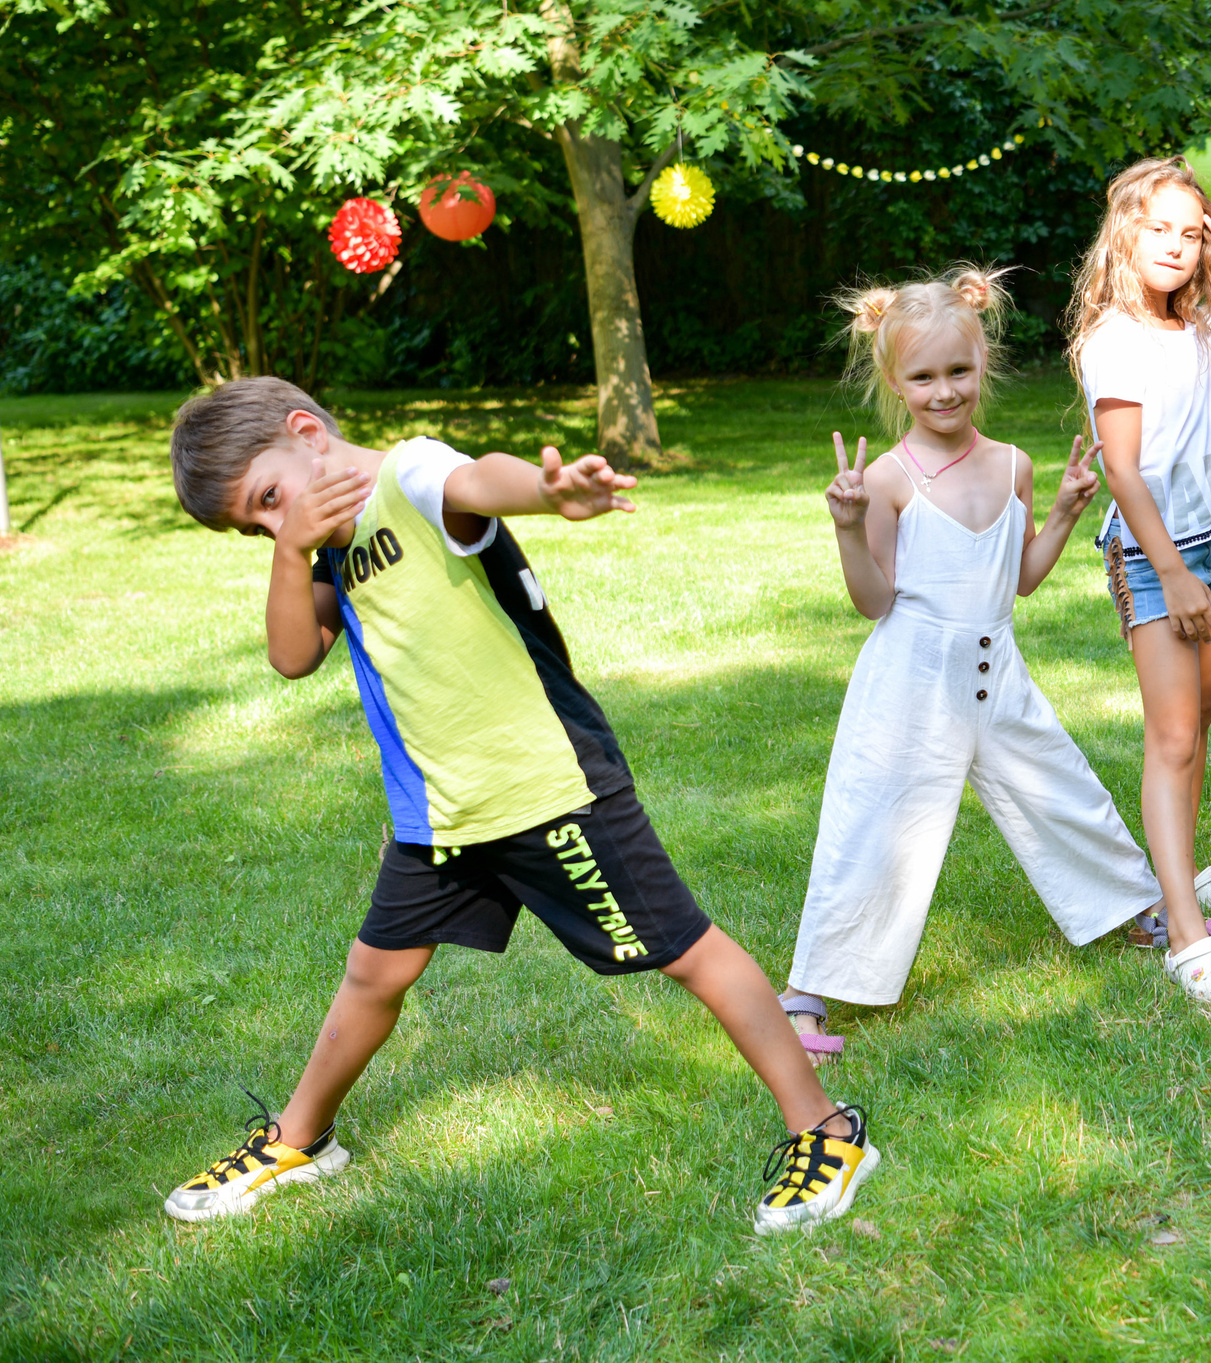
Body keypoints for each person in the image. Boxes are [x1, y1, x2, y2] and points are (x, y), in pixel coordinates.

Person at [160, 377, 875, 1235]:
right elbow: (289, 656)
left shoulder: (409, 475)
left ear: (307, 433)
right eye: (255, 527)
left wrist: (547, 491)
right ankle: (299, 1138)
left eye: (268, 500)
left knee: (685, 949)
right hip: (441, 815)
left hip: (545, 787)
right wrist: (291, 548)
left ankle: (827, 1129)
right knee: (374, 973)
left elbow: (476, 482)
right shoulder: (324, 548)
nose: (275, 525)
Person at [777, 270, 1166, 1048]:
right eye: (923, 377)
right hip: (911, 686)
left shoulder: (1014, 464)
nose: (944, 391)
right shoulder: (888, 479)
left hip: (998, 672)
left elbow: (1017, 577)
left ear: (983, 364)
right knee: (877, 824)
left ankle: (1139, 907)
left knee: (1061, 787)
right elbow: (873, 602)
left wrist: (1061, 512)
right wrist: (849, 529)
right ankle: (806, 991)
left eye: (958, 371)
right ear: (895, 381)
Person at [1070, 157, 1211, 1003]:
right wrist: (1173, 574)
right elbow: (1122, 470)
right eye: (1159, 227)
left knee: (1200, 716)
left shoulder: (1196, 325)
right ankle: (1186, 938)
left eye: (1191, 233)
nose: (1176, 245)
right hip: (1157, 559)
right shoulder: (1113, 337)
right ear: (1125, 232)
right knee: (1173, 736)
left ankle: (1181, 879)